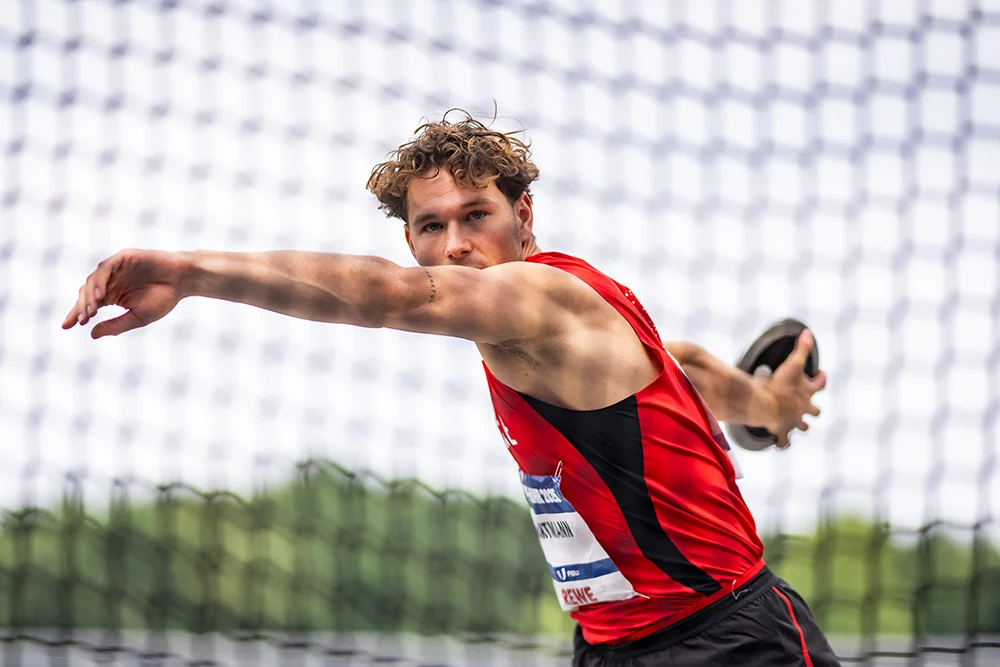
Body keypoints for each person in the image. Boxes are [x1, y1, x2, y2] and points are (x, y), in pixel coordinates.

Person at [63, 111, 836, 666]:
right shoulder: (571, 326)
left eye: (477, 215)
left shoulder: (532, 297)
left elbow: (393, 296)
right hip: (612, 647)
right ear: (411, 238)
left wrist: (193, 272)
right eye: (431, 227)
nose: (457, 245)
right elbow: (685, 366)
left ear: (522, 216)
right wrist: (767, 404)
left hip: (734, 640)